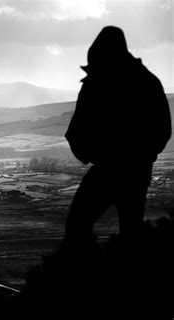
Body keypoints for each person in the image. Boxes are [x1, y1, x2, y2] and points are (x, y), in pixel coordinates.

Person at [64, 26, 171, 249]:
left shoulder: (97, 80)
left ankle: (74, 274)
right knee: (130, 231)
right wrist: (143, 155)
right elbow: (162, 129)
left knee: (79, 223)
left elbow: (76, 129)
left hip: (111, 167)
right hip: (135, 168)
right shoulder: (147, 81)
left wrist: (95, 154)